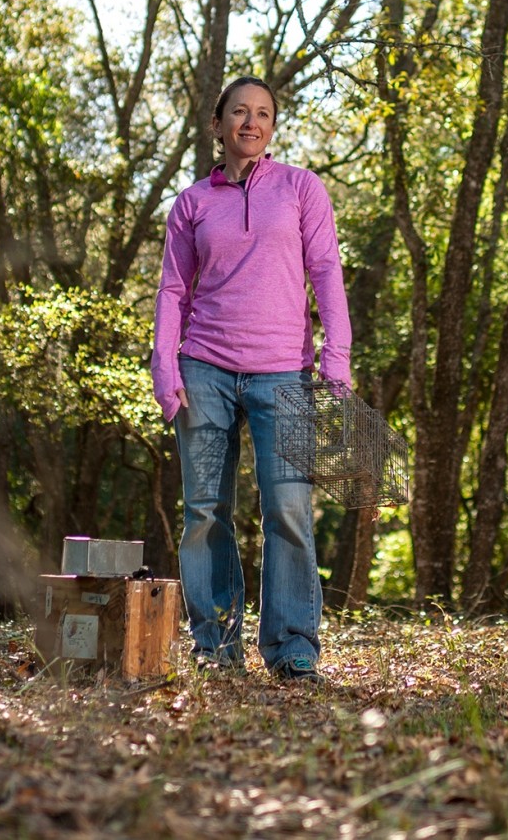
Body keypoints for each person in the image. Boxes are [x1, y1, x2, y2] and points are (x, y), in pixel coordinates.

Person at [152, 76, 352, 680]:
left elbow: (326, 272)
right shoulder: (191, 204)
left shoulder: (300, 189)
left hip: (284, 373)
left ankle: (293, 645)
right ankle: (215, 644)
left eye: (263, 113)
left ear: (271, 126)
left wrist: (334, 359)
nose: (251, 122)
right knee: (205, 509)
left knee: (289, 508)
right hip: (204, 368)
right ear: (217, 125)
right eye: (239, 111)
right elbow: (172, 290)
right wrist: (165, 366)